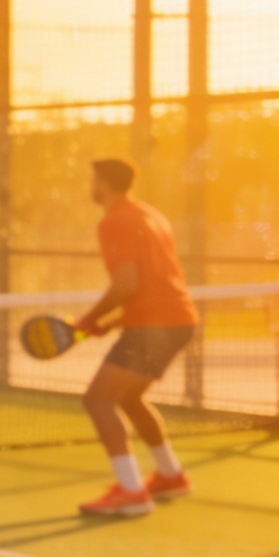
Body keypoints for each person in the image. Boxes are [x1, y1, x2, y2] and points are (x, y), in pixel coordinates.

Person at [71, 158, 200, 518]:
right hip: (178, 320)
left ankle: (131, 492)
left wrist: (87, 320)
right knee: (128, 398)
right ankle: (171, 475)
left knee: (98, 400)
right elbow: (151, 284)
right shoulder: (151, 215)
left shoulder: (114, 221)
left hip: (153, 327)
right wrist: (110, 323)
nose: (90, 186)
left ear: (105, 183)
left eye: (93, 179)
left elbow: (127, 283)